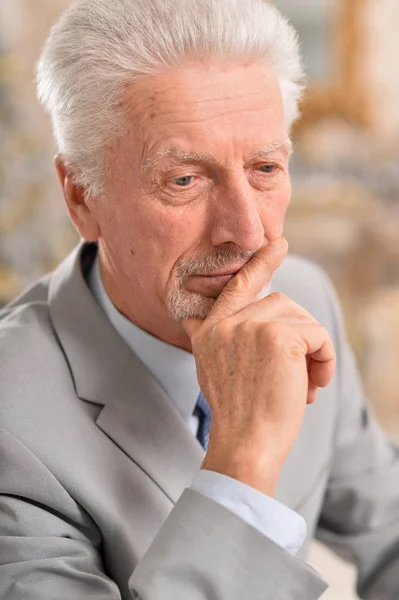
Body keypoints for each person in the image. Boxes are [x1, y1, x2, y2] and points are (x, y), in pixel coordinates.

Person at [1, 0, 398, 598]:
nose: (248, 231)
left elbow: (388, 529)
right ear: (82, 197)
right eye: (184, 180)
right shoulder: (11, 425)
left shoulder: (306, 296)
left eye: (265, 167)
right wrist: (245, 453)